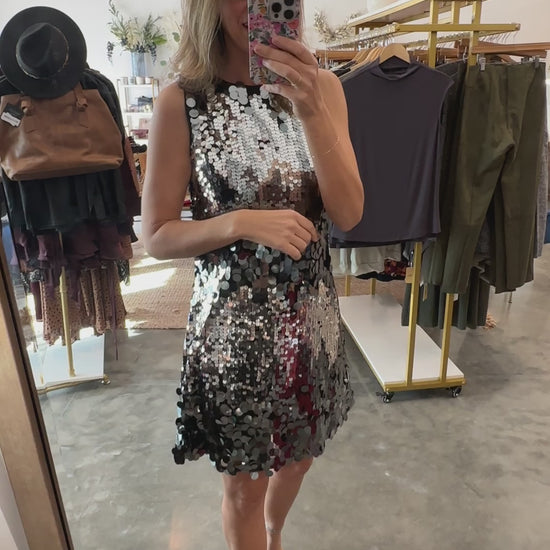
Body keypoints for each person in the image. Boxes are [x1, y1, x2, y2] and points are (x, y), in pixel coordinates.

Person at [141, 1, 363, 549]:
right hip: (232, 335)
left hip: (310, 325)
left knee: (300, 458)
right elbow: (156, 235)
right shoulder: (181, 101)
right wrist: (239, 222)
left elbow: (349, 212)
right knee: (243, 487)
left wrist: (310, 109)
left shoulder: (324, 89)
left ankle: (273, 531)